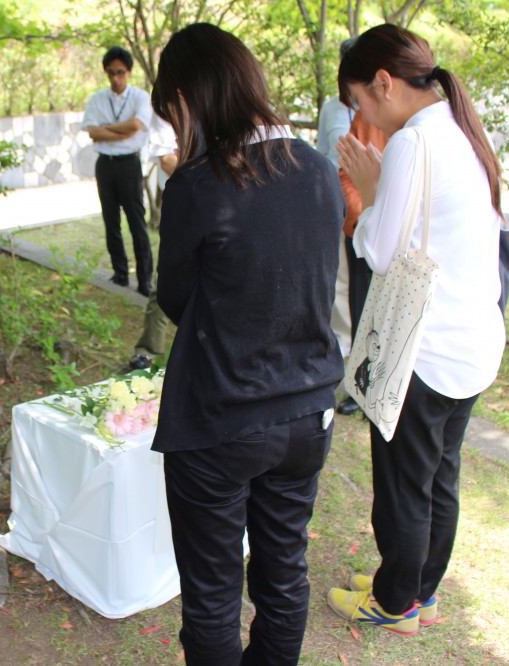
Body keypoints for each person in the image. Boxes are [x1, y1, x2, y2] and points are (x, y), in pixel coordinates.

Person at [150, 23, 345, 665]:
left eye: (173, 114)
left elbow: (177, 298)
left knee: (211, 596)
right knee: (284, 575)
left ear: (189, 97)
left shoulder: (199, 184)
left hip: (222, 417)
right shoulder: (318, 169)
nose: (176, 131)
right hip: (307, 411)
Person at [326, 24, 505, 635]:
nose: (363, 117)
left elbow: (376, 250)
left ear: (383, 82)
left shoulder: (414, 141)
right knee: (439, 476)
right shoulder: (459, 129)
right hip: (473, 342)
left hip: (426, 351)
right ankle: (418, 590)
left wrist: (373, 190)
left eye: (360, 102)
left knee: (404, 484)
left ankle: (394, 602)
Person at [80, 46, 155, 296]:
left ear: (129, 72)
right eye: (111, 73)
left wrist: (107, 130)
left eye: (120, 72)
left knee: (136, 222)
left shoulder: (141, 98)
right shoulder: (97, 99)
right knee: (110, 221)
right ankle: (120, 273)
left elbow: (136, 125)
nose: (116, 78)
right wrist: (119, 131)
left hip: (129, 165)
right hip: (105, 165)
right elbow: (92, 131)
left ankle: (145, 279)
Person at [335, 111, 388, 416]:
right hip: (361, 232)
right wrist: (364, 217)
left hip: (406, 249)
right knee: (362, 312)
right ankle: (362, 386)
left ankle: (387, 389)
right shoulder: (367, 119)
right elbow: (347, 175)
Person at [318, 38, 358, 365]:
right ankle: (342, 355)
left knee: (369, 283)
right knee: (340, 280)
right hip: (335, 201)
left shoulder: (378, 110)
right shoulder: (331, 108)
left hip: (369, 203)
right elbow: (321, 156)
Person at [129, 113, 178, 371]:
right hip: (178, 197)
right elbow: (168, 160)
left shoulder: (215, 98)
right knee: (167, 276)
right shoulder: (165, 109)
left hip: (220, 201)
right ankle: (148, 351)